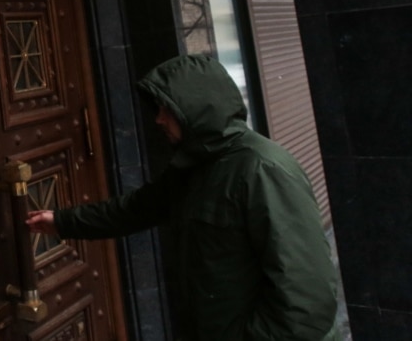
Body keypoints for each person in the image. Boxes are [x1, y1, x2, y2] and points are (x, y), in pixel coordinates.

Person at [26, 54, 340, 340]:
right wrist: (62, 222)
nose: (159, 119)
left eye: (167, 109)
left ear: (197, 106)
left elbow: (307, 299)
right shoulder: (197, 164)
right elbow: (137, 209)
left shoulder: (262, 169)